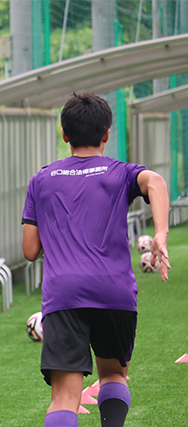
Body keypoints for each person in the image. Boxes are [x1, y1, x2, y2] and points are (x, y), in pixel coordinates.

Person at [22, 92, 171, 427]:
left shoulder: (41, 180)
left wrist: (62, 231)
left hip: (64, 294)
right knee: (114, 375)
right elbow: (156, 182)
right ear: (107, 133)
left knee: (64, 398)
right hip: (114, 291)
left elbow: (30, 250)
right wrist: (159, 233)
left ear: (65, 134)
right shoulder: (120, 172)